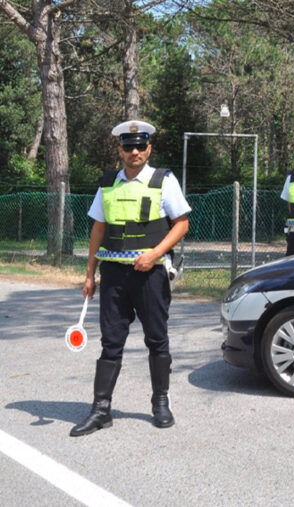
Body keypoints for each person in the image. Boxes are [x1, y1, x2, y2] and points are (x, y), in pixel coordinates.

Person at [71, 120, 191, 437]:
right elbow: (98, 228)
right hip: (113, 274)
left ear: (148, 148)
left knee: (156, 339)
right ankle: (100, 409)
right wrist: (89, 274)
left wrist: (154, 254)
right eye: (128, 146)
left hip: (151, 273)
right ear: (120, 149)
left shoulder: (163, 181)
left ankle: (161, 403)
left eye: (140, 146)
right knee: (111, 341)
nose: (134, 152)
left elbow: (181, 224)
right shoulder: (108, 183)